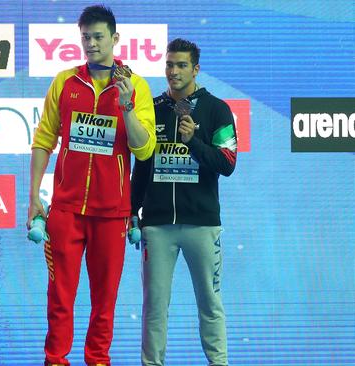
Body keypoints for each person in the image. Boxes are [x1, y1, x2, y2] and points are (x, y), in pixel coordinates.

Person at [28, 5, 156, 365]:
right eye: (86, 37)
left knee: (104, 302)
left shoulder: (137, 86)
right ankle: (55, 360)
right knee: (60, 297)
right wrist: (33, 197)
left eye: (99, 36)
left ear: (115, 39)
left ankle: (97, 360)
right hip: (66, 211)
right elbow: (43, 140)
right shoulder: (65, 81)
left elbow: (144, 149)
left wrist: (127, 105)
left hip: (112, 213)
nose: (91, 43)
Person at [130, 38, 237, 366]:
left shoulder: (217, 109)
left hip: (202, 225)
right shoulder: (153, 107)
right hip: (158, 226)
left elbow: (228, 163)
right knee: (154, 306)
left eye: (180, 65)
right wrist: (132, 210)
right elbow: (143, 164)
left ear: (196, 69)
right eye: (169, 65)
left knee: (210, 303)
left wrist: (194, 142)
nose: (173, 71)